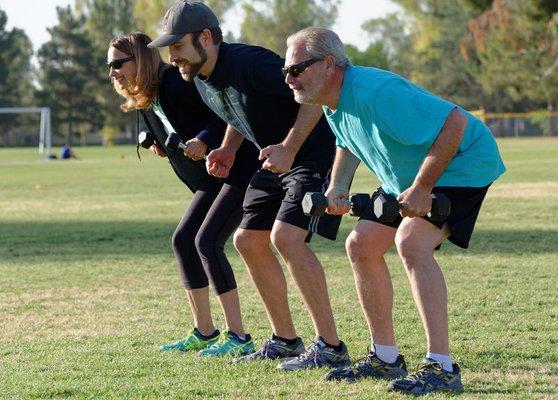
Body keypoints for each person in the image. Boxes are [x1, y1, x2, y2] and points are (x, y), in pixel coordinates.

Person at [283, 27, 505, 394]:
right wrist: (337, 186)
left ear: (327, 64)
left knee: (412, 241)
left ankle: (442, 367)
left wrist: (422, 188)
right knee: (361, 245)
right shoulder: (329, 100)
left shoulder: (376, 92)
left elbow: (456, 122)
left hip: (463, 163)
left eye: (296, 69)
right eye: (285, 72)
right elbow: (347, 142)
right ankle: (385, 357)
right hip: (404, 176)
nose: (289, 79)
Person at [149, 1, 350, 371]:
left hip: (310, 154)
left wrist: (290, 147)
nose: (172, 56)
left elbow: (314, 98)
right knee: (247, 240)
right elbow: (236, 110)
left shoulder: (251, 63)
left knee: (286, 238)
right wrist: (227, 148)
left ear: (206, 38)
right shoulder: (202, 78)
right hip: (271, 158)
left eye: (177, 46)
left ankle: (331, 346)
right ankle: (286, 341)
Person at [108, 32, 260, 357]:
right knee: (183, 241)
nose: (113, 71)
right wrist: (156, 142)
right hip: (209, 181)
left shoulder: (176, 83)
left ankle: (239, 337)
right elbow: (170, 127)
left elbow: (224, 112)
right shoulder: (146, 96)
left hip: (237, 170)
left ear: (141, 59)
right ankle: (205, 331)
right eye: (110, 65)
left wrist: (205, 138)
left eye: (118, 63)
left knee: (206, 242)